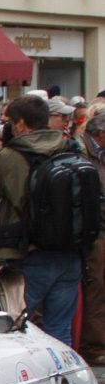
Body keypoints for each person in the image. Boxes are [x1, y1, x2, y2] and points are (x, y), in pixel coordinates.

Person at [0, 92, 102, 347]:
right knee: (59, 328)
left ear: (21, 123)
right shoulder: (71, 147)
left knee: (13, 328)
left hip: (27, 253)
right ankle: (61, 381)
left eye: (11, 123)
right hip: (70, 251)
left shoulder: (10, 155)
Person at [81, 108, 105, 369]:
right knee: (96, 288)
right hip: (96, 230)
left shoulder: (96, 154)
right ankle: (94, 346)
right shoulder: (84, 152)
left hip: (100, 227)